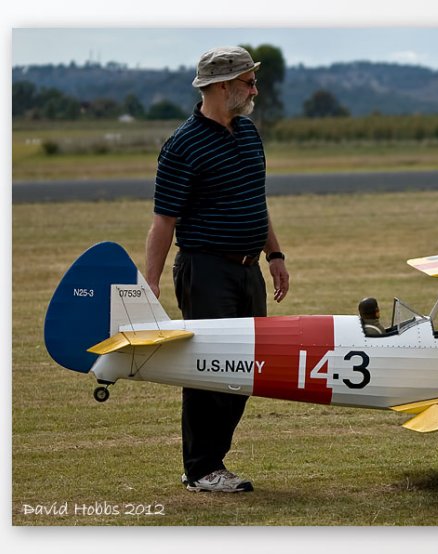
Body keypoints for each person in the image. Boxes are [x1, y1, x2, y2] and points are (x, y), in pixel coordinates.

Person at [145, 46, 290, 493]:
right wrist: (147, 285)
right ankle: (202, 468)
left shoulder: (248, 133)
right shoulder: (183, 145)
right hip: (206, 270)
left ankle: (211, 463)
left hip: (247, 270)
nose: (254, 90)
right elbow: (163, 221)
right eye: (248, 82)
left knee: (247, 370)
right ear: (221, 86)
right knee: (209, 370)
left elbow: (255, 201)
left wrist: (275, 256)